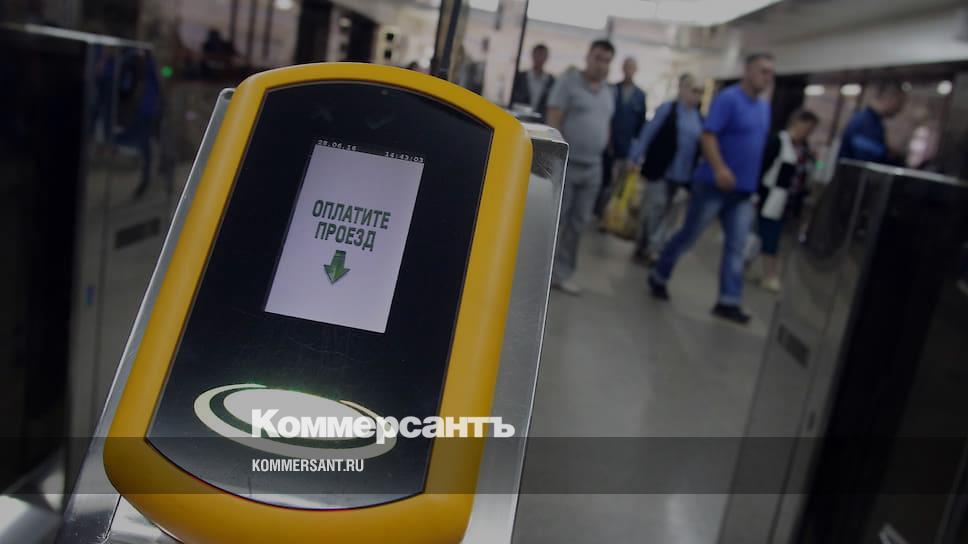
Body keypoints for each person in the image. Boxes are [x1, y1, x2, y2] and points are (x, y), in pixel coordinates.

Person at [648, 53, 775, 324]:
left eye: (770, 72)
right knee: (689, 235)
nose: (767, 77)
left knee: (737, 246)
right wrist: (719, 169)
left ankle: (729, 300)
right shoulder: (728, 99)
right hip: (713, 185)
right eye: (762, 70)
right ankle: (659, 273)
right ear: (748, 70)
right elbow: (708, 136)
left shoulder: (764, 108)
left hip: (743, 191)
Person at [546, 39, 616, 295]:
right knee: (555, 221)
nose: (601, 65)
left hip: (593, 167)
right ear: (588, 56)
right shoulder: (569, 83)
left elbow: (606, 124)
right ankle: (541, 273)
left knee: (579, 224)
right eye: (598, 58)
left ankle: (562, 274)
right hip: (568, 164)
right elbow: (554, 117)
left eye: (607, 60)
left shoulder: (609, 92)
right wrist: (555, 156)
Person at [627, 73, 705, 263]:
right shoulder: (667, 110)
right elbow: (648, 133)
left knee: (671, 215)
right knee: (654, 209)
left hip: (683, 176)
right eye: (694, 90)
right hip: (660, 170)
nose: (697, 96)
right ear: (683, 89)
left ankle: (655, 246)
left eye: (701, 92)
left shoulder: (699, 118)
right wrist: (634, 157)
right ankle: (646, 246)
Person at [755, 109, 819, 292]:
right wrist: (755, 193)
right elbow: (763, 166)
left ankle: (749, 265)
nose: (808, 132)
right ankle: (770, 274)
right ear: (797, 122)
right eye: (807, 127)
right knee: (770, 235)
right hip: (771, 197)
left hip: (789, 201)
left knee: (765, 234)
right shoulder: (779, 141)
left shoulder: (803, 148)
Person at [596, 57, 647, 216]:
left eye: (632, 67)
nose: (629, 70)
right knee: (604, 182)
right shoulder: (612, 89)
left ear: (635, 70)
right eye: (626, 67)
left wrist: (636, 154)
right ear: (622, 68)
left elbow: (640, 127)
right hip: (608, 146)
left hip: (626, 149)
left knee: (619, 186)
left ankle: (610, 215)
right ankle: (598, 212)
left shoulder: (640, 95)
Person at [838, 81, 907, 165]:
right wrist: (892, 158)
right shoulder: (867, 123)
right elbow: (867, 157)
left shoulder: (871, 121)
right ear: (890, 98)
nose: (900, 109)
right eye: (900, 103)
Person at [510, 44, 555, 121]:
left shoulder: (550, 81)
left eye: (543, 55)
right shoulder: (521, 77)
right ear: (533, 55)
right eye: (538, 55)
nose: (540, 59)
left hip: (540, 121)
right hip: (520, 118)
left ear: (546, 58)